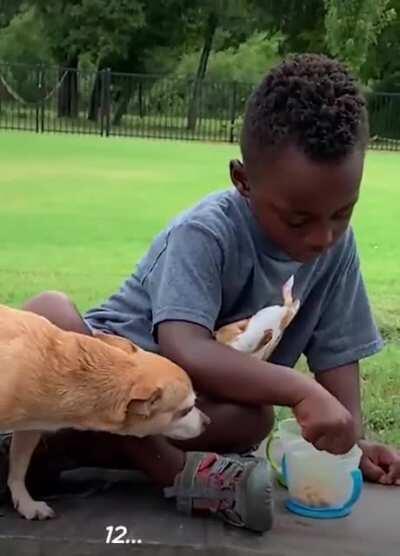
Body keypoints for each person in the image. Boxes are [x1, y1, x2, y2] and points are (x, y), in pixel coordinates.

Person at [1, 54, 399, 532]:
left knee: (253, 422)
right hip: (109, 385)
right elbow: (184, 346)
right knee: (53, 311)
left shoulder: (336, 252)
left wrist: (349, 444)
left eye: (343, 212)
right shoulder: (206, 232)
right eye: (298, 219)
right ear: (243, 181)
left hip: (183, 411)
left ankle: (56, 450)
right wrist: (299, 387)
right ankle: (178, 478)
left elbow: (337, 358)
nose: (323, 236)